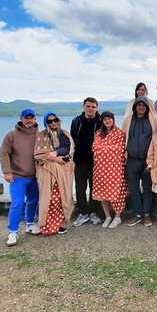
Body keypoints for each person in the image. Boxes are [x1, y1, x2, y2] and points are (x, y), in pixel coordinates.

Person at [0, 109, 40, 246]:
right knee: (16, 204)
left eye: (31, 118)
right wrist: (7, 172)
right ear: (21, 119)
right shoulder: (11, 136)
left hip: (35, 176)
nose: (29, 120)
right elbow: (4, 153)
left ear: (35, 119)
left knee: (33, 201)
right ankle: (13, 231)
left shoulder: (40, 135)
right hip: (17, 176)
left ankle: (29, 224)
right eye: (26, 118)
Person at [33, 112, 75, 236]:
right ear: (46, 123)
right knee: (49, 199)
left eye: (55, 120)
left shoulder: (65, 134)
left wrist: (56, 153)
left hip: (63, 171)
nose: (53, 123)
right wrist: (54, 158)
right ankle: (46, 226)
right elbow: (38, 154)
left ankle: (57, 225)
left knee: (61, 199)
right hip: (49, 172)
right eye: (50, 121)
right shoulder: (42, 136)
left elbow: (69, 148)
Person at [122, 96, 157, 226]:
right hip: (132, 159)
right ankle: (137, 213)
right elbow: (122, 137)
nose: (141, 107)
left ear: (147, 107)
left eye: (143, 105)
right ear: (135, 106)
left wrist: (154, 158)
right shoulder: (128, 120)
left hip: (147, 159)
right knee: (134, 188)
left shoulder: (154, 120)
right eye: (138, 105)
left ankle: (147, 214)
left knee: (147, 188)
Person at [91, 110, 128, 229]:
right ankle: (107, 216)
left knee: (117, 193)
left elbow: (119, 149)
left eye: (109, 118)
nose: (107, 121)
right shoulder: (98, 133)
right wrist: (108, 150)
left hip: (115, 169)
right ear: (102, 120)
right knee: (103, 193)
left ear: (113, 119)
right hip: (101, 169)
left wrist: (104, 149)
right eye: (105, 119)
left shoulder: (119, 133)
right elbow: (95, 147)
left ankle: (117, 217)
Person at [70, 97, 103, 227]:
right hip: (80, 160)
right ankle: (83, 213)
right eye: (88, 106)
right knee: (80, 188)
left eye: (93, 107)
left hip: (96, 161)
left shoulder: (101, 121)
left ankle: (93, 212)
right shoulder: (76, 121)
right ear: (84, 106)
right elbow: (72, 139)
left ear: (97, 108)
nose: (90, 109)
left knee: (95, 189)